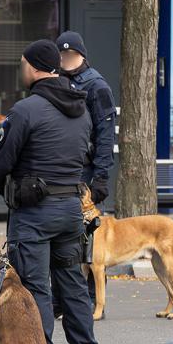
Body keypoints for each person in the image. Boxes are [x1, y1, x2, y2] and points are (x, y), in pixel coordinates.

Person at [0, 39, 100, 344]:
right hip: (70, 209)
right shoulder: (81, 110)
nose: (22, 69)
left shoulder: (26, 110)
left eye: (23, 63)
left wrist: (9, 184)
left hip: (34, 212)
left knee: (36, 289)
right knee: (73, 287)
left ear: (35, 67)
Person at [54, 31, 117, 315]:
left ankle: (94, 301)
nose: (66, 59)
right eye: (62, 55)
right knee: (62, 240)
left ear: (81, 55)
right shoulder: (56, 81)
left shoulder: (96, 86)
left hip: (87, 171)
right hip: (63, 169)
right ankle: (62, 300)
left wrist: (102, 175)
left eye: (71, 54)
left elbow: (105, 134)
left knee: (91, 243)